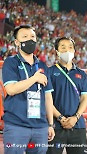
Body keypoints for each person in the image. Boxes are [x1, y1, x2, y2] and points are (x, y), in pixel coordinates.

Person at [2, 25, 55, 154]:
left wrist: (50, 124)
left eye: (32, 37)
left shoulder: (42, 66)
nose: (29, 40)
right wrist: (34, 78)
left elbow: (48, 97)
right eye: (24, 37)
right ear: (17, 42)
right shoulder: (11, 62)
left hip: (40, 126)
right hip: (17, 125)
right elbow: (11, 90)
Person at [47, 37, 87, 154]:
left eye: (70, 47)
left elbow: (84, 98)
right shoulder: (49, 72)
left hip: (77, 126)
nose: (67, 50)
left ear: (75, 51)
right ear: (57, 51)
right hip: (55, 127)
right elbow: (47, 99)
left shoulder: (82, 74)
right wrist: (60, 118)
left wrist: (76, 117)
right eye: (63, 47)